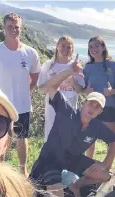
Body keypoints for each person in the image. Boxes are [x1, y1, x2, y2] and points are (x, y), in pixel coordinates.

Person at [29, 55, 115, 197]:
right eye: (91, 103)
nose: (93, 107)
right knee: (54, 193)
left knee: (106, 175)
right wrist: (69, 70)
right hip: (50, 161)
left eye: (97, 107)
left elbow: (113, 141)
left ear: (100, 112)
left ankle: (76, 186)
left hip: (73, 160)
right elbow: (51, 87)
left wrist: (105, 163)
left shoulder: (96, 126)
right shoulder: (66, 110)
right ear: (83, 103)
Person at [0, 13, 41, 176]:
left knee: (22, 138)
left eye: (17, 27)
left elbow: (35, 78)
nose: (13, 30)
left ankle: (23, 169)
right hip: (0, 105)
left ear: (20, 29)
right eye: (10, 27)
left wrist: (24, 93)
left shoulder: (31, 53)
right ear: (4, 28)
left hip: (22, 105)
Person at [37, 35, 83, 186]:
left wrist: (74, 81)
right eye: (62, 45)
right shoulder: (48, 66)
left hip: (70, 111)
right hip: (52, 110)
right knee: (50, 141)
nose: (65, 49)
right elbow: (42, 90)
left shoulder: (76, 67)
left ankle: (66, 177)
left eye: (68, 46)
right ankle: (47, 176)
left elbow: (80, 90)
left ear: (72, 50)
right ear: (57, 46)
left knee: (68, 143)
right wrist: (56, 80)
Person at [76, 36, 115, 160]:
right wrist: (83, 90)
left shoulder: (112, 65)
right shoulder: (87, 67)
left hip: (109, 106)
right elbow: (83, 89)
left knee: (112, 139)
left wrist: (112, 91)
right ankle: (88, 163)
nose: (93, 49)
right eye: (91, 46)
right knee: (89, 138)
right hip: (92, 107)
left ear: (103, 47)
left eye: (96, 45)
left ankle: (106, 166)